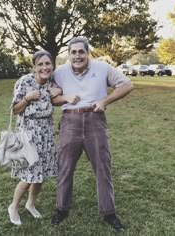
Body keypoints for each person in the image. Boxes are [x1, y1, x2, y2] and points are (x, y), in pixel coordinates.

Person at [51, 37, 133, 232]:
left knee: (103, 168)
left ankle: (109, 212)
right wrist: (65, 97)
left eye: (81, 52)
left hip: (95, 119)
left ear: (87, 52)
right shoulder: (60, 72)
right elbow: (53, 98)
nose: (77, 56)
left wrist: (105, 100)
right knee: (65, 167)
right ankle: (62, 208)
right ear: (68, 54)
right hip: (70, 121)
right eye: (73, 52)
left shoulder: (102, 68)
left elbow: (127, 85)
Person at [8, 50, 61, 225]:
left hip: (46, 135)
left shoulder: (51, 83)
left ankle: (30, 204)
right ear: (34, 67)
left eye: (48, 64)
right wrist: (27, 98)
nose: (45, 67)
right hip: (28, 136)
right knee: (28, 177)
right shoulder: (24, 82)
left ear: (52, 65)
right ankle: (14, 207)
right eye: (40, 64)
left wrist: (59, 91)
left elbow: (57, 98)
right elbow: (15, 110)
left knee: (41, 175)